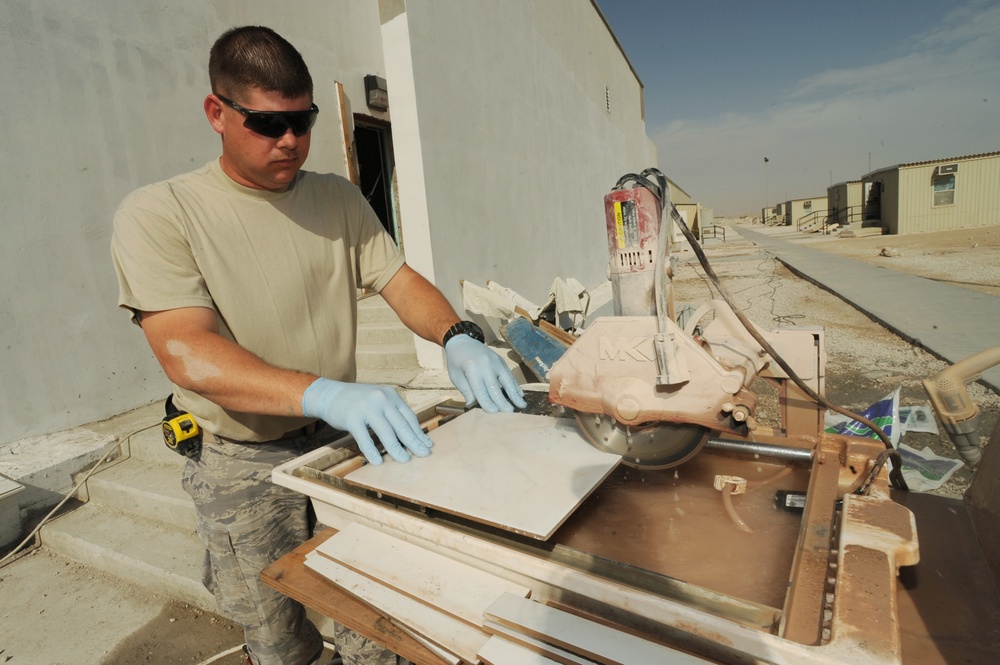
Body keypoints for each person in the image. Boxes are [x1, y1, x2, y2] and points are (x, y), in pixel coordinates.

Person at [111, 25, 526, 665]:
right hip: (241, 460)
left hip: (343, 447)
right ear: (216, 113)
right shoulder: (162, 213)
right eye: (268, 123)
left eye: (302, 122)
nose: (290, 141)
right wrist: (320, 392)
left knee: (376, 617)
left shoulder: (335, 196)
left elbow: (397, 278)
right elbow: (185, 350)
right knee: (276, 638)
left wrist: (458, 336)